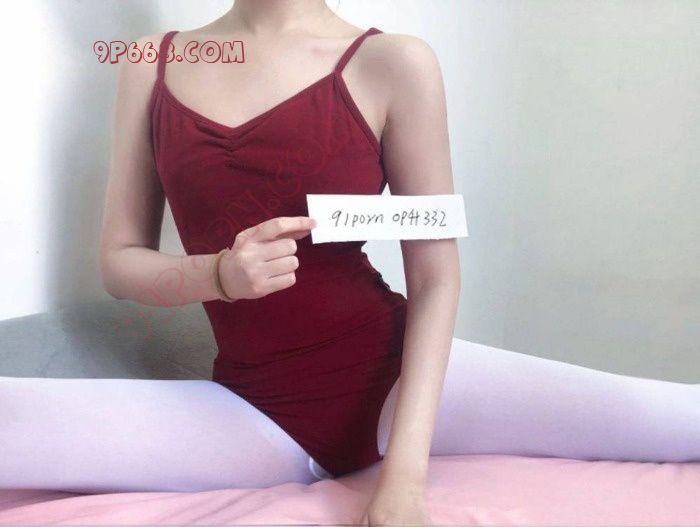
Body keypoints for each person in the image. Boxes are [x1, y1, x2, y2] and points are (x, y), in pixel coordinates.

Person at [1, 2, 698, 526]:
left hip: (391, 375)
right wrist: (216, 275)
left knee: (676, 420)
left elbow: (436, 276)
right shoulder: (149, 63)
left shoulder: (393, 63)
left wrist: (405, 478)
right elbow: (119, 262)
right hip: (251, 408)